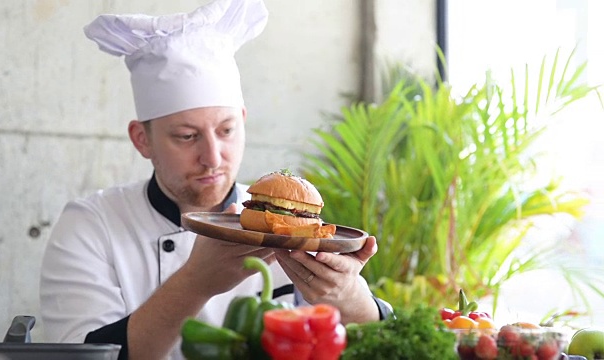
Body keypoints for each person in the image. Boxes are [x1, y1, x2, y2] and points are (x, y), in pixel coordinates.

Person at [39, 0, 392, 359]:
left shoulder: (286, 228)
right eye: (187, 136)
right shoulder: (90, 226)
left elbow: (366, 343)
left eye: (226, 130)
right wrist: (194, 283)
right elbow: (80, 355)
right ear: (141, 140)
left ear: (243, 119)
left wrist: (352, 298)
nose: (213, 157)